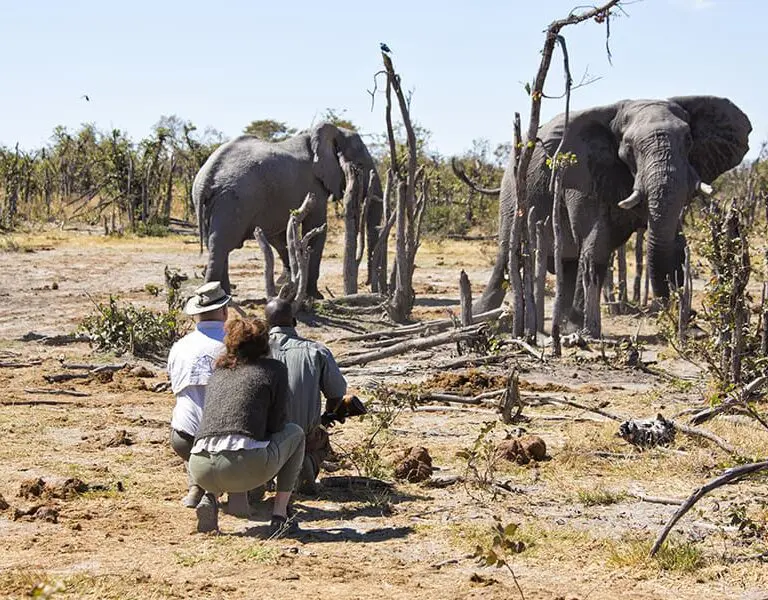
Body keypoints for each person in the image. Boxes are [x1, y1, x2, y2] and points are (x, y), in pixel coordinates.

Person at [189, 317, 305, 535]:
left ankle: (210, 498)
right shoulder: (274, 369)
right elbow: (277, 424)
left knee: (222, 436)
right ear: (264, 343)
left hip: (199, 467)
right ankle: (280, 515)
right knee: (296, 433)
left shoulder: (218, 372)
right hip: (243, 466)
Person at [265, 298, 348, 494]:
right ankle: (306, 461)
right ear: (294, 322)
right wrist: (326, 418)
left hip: (263, 437)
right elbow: (337, 394)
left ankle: (262, 475)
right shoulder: (316, 351)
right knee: (320, 439)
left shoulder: (254, 351)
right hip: (302, 436)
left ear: (267, 324)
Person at [167, 281, 230, 509]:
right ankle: (223, 490)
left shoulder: (179, 347)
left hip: (184, 438)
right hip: (227, 440)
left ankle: (197, 485)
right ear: (225, 311)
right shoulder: (235, 345)